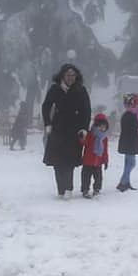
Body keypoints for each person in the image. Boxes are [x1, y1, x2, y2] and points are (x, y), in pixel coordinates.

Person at [42, 63, 91, 199]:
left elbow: (86, 110)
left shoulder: (80, 90)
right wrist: (48, 123)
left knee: (69, 161)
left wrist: (84, 128)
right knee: (57, 161)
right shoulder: (55, 89)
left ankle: (68, 188)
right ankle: (60, 190)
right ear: (62, 75)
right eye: (68, 75)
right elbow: (46, 106)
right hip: (57, 127)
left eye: (73, 75)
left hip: (74, 129)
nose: (70, 78)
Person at [117, 93, 138, 192]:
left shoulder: (132, 114)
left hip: (129, 141)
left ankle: (126, 182)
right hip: (130, 142)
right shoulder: (130, 115)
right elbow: (134, 128)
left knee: (128, 163)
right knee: (131, 163)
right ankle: (123, 181)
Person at [79, 113, 110, 198]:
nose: (102, 128)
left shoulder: (104, 138)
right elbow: (85, 142)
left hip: (98, 162)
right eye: (100, 126)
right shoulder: (90, 135)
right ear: (96, 125)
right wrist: (82, 137)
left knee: (98, 177)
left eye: (104, 127)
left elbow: (105, 150)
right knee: (86, 177)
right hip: (88, 161)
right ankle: (85, 190)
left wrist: (106, 160)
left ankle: (97, 189)